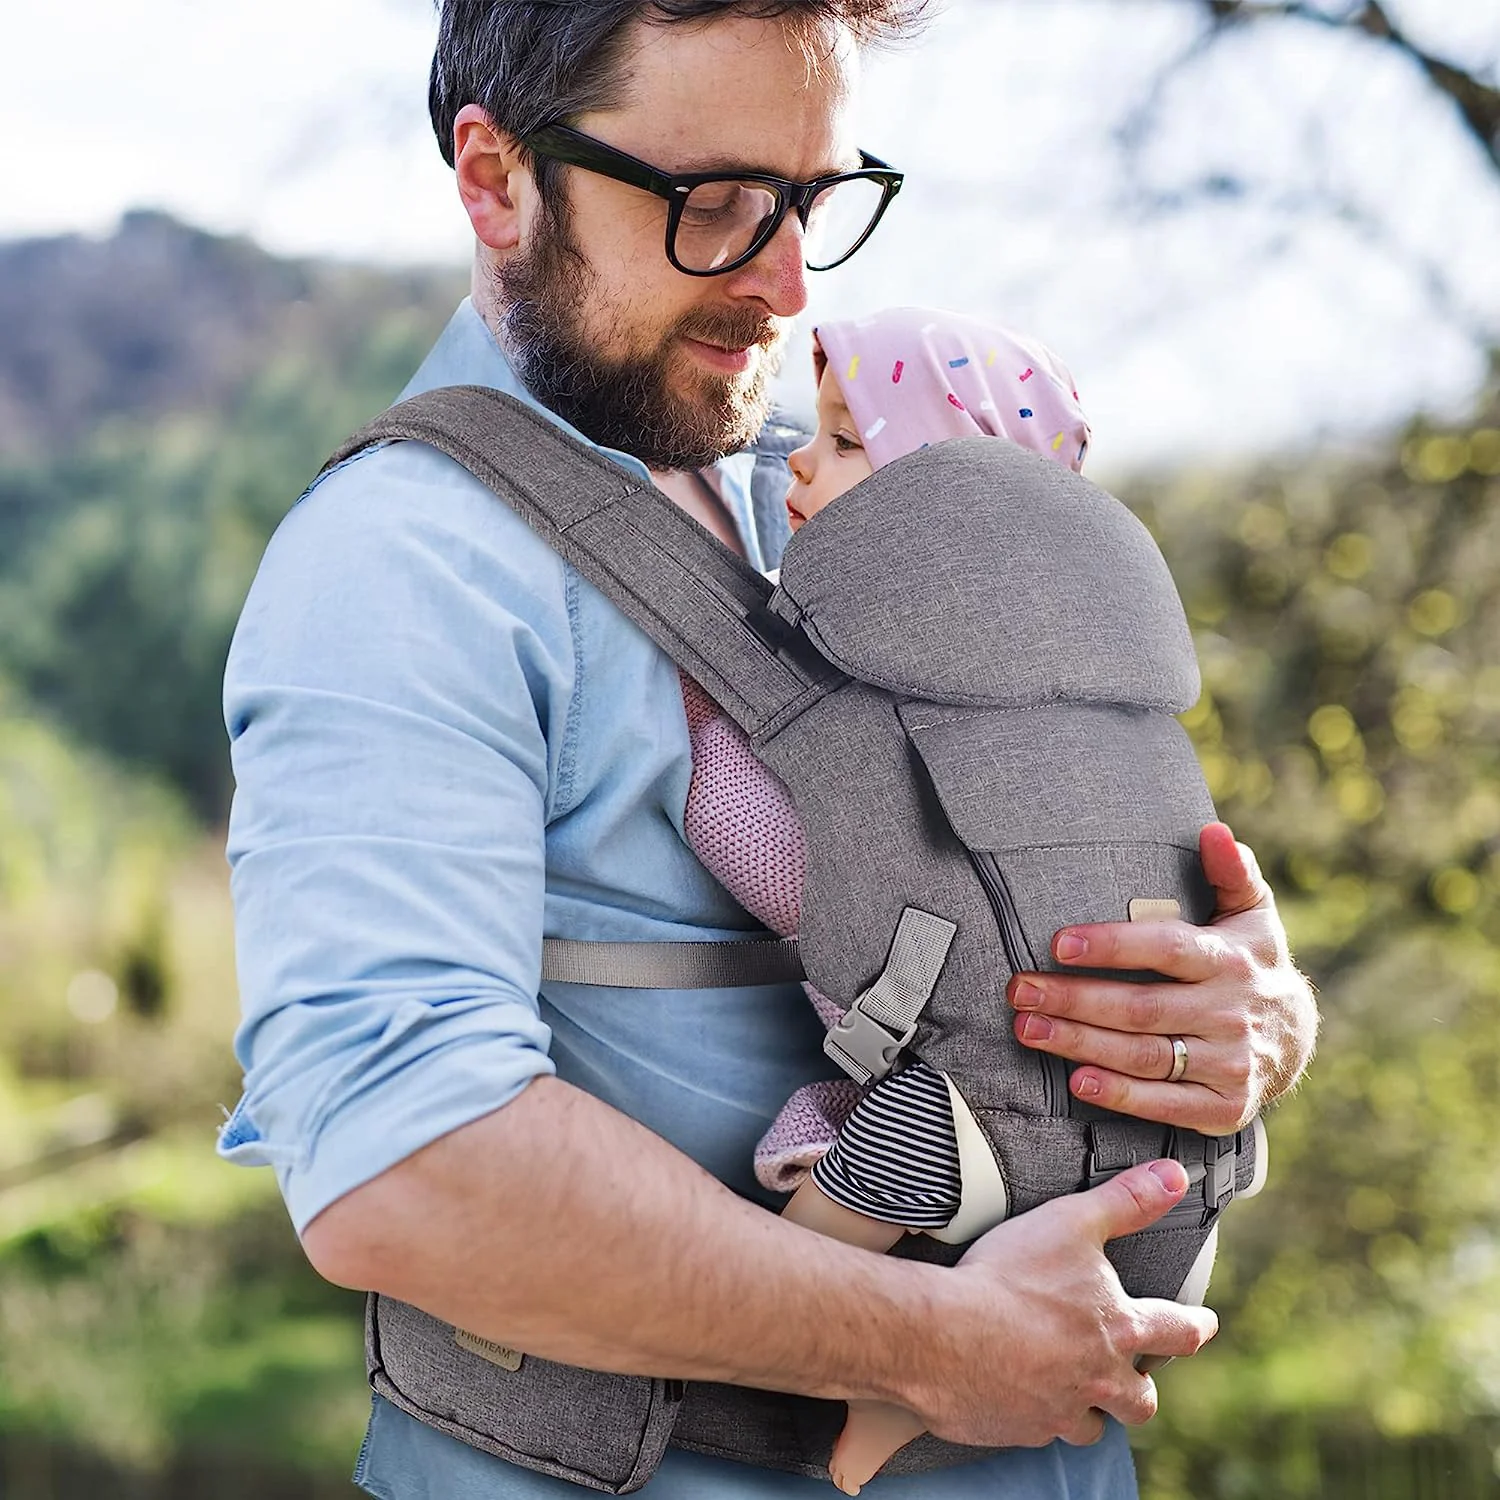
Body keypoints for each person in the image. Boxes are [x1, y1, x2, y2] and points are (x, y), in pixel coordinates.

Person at [217, 5, 1319, 1498]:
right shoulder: (404, 569)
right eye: (714, 205)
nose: (788, 282)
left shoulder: (835, 478)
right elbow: (403, 1166)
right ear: (495, 178)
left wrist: (1244, 1012)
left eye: (817, 200)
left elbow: (1063, 812)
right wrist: (926, 1345)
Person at [681, 305, 1249, 1495]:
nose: (797, 457)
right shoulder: (1094, 698)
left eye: (841, 442)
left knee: (845, 1224)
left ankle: (851, 1394)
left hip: (976, 1118)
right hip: (1185, 1164)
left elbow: (790, 864)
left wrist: (706, 721)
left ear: (936, 510)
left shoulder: (879, 706)